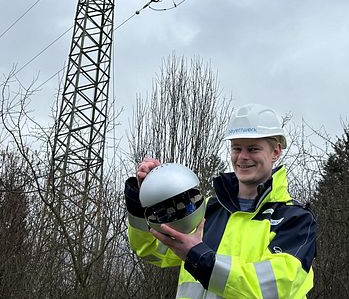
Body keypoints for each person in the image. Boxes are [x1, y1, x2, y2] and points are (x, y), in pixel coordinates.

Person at [124, 103, 317, 298]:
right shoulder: (207, 209)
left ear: (275, 152)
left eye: (253, 149)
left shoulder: (296, 220)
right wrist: (143, 202)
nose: (243, 157)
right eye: (237, 148)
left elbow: (274, 289)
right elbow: (152, 250)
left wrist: (200, 258)